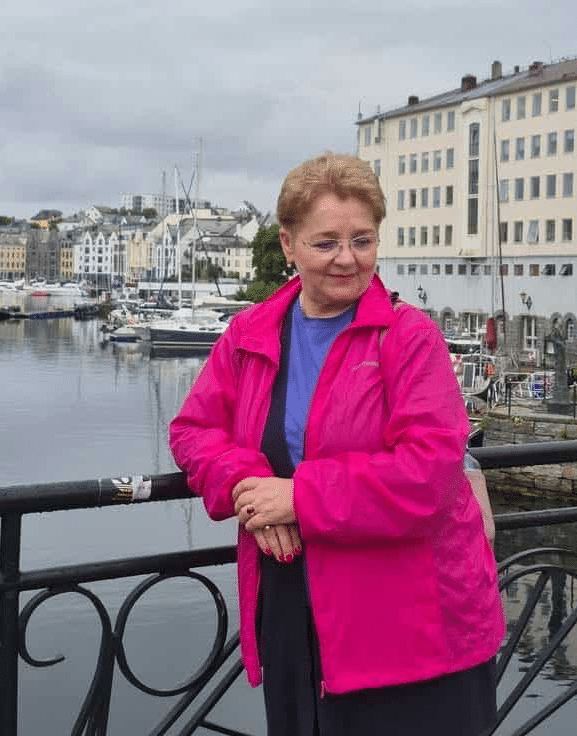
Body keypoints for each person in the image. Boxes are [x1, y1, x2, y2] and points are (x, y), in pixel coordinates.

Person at [169, 153, 505, 736]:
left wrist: (297, 499)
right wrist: (248, 486)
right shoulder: (251, 333)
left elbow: (428, 472)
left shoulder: (409, 338)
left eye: (362, 240)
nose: (347, 258)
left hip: (411, 631)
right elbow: (193, 430)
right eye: (326, 243)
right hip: (295, 616)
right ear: (288, 243)